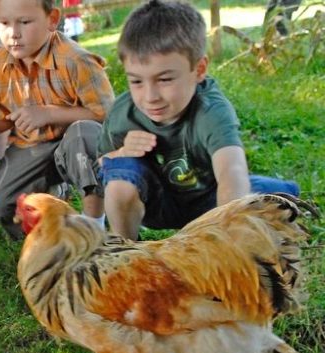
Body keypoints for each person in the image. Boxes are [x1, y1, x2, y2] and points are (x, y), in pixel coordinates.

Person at [97, 0, 300, 241]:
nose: (150, 97)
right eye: (137, 82)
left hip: (209, 202)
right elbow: (101, 163)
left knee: (273, 198)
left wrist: (225, 239)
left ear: (200, 69)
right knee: (120, 174)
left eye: (165, 80)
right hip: (157, 202)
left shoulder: (211, 110)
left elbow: (231, 170)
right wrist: (122, 151)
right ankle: (123, 252)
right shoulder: (124, 112)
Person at [0, 0, 115, 239]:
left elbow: (107, 115)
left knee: (83, 134)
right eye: (4, 23)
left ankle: (94, 228)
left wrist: (49, 113)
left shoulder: (76, 60)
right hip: (32, 146)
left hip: (75, 141)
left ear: (52, 19)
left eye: (24, 22)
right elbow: (2, 118)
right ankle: (56, 237)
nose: (13, 34)